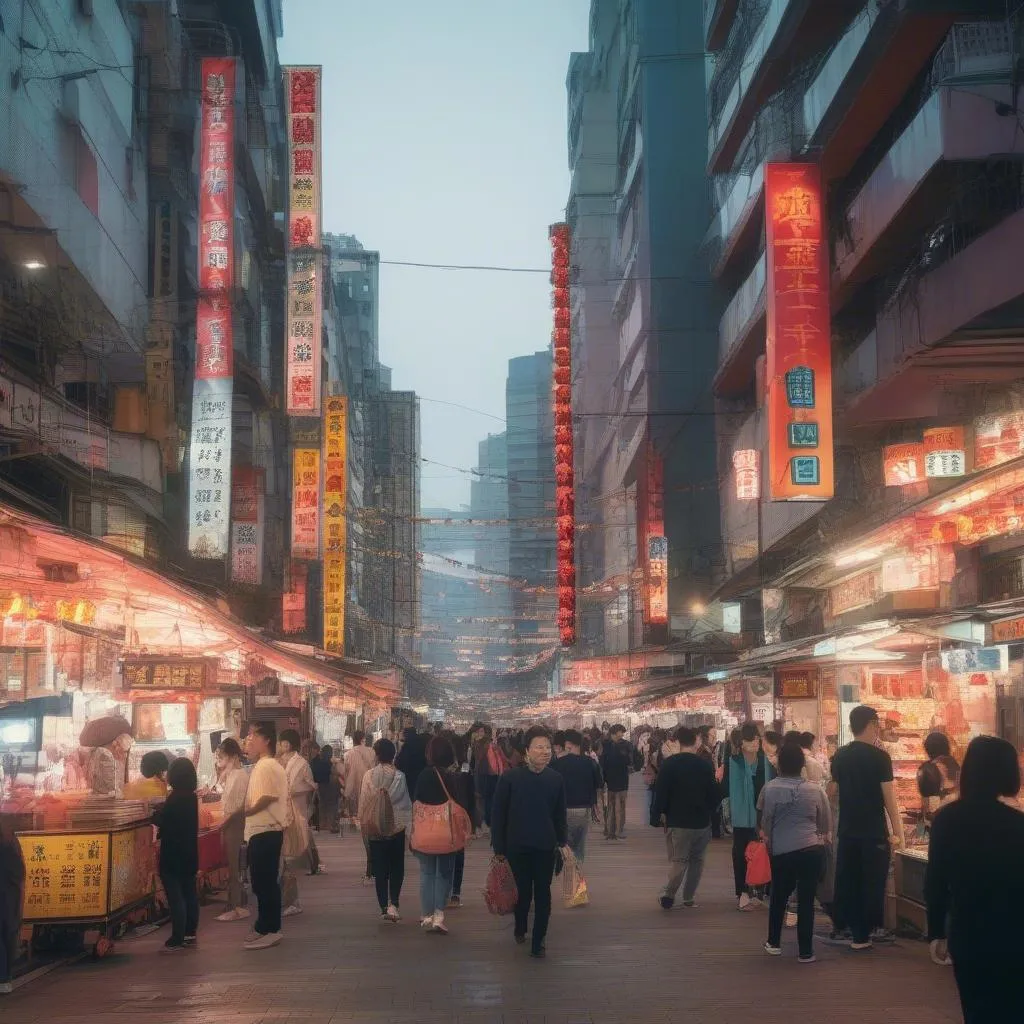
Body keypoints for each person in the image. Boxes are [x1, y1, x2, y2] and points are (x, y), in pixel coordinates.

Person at [925, 736, 1024, 1022]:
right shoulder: (1017, 824)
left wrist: (936, 932)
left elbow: (936, 881)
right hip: (1014, 931)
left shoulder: (946, 819)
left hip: (967, 931)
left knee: (975, 1006)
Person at [829, 705, 905, 951]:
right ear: (872, 724)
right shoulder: (880, 758)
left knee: (849, 879)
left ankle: (853, 931)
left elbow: (833, 792)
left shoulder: (840, 756)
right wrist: (899, 834)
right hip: (874, 832)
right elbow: (889, 800)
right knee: (872, 882)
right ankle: (864, 933)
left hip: (848, 831)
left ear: (851, 726)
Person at [491, 726, 569, 959]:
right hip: (517, 845)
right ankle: (520, 926)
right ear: (527, 751)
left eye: (547, 747)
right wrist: (499, 848)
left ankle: (539, 940)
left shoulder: (555, 779)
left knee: (543, 893)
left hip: (545, 846)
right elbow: (498, 815)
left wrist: (562, 843)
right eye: (539, 747)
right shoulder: (510, 778)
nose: (545, 752)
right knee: (523, 892)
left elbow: (559, 815)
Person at [760, 742, 832, 963]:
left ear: (779, 764)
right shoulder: (816, 790)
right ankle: (805, 951)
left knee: (779, 897)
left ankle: (773, 942)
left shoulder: (769, 788)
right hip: (811, 850)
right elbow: (825, 824)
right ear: (802, 765)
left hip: (782, 851)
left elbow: (765, 822)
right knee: (807, 900)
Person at [652, 726, 720, 910]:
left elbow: (661, 793)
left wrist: (656, 815)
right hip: (701, 822)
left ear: (679, 743)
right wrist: (712, 814)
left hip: (678, 821)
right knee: (697, 861)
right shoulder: (705, 765)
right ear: (696, 741)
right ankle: (689, 897)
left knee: (679, 860)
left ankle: (669, 893)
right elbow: (713, 793)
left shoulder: (670, 764)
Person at [242, 721, 290, 950]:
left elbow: (267, 796)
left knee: (265, 882)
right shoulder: (266, 765)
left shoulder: (266, 766)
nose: (249, 741)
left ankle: (269, 927)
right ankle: (265, 926)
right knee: (263, 882)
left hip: (266, 830)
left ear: (266, 740)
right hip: (264, 830)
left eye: (253, 737)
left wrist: (246, 811)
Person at [411, 735, 465, 935]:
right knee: (443, 872)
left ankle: (426, 915)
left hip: (425, 831)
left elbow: (416, 800)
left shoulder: (424, 775)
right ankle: (439, 915)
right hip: (446, 832)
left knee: (426, 872)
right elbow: (458, 803)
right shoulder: (450, 777)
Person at [360, 738, 411, 922]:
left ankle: (383, 906)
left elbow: (364, 803)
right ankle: (394, 903)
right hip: (396, 827)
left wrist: (363, 824)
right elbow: (405, 806)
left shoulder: (368, 776)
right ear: (393, 755)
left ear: (377, 755)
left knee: (380, 868)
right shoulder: (400, 776)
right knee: (397, 866)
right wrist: (408, 831)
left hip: (375, 827)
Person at [725, 722, 774, 910]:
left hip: (761, 816)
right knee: (740, 853)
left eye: (756, 738)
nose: (754, 742)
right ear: (741, 742)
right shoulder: (734, 761)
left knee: (760, 852)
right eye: (750, 739)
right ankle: (742, 892)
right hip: (740, 817)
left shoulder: (765, 762)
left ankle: (756, 890)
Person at [153, 758, 200, 952]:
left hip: (173, 853)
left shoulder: (174, 798)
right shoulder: (191, 796)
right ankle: (190, 931)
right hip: (190, 851)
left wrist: (155, 815)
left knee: (175, 895)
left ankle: (177, 936)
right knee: (189, 892)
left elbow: (165, 822)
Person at [551, 728, 603, 864]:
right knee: (579, 847)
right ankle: (576, 875)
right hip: (582, 809)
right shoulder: (590, 762)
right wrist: (596, 804)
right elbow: (599, 785)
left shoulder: (557, 764)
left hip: (562, 810)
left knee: (564, 845)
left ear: (567, 744)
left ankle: (566, 874)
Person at [278, 729, 315, 916]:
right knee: (286, 859)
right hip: (283, 814)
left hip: (295, 813)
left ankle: (293, 900)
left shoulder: (301, 764)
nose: (282, 746)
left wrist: (294, 790)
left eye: (285, 742)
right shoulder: (279, 762)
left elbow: (310, 785)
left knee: (290, 858)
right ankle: (288, 899)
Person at [214, 738, 250, 922]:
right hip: (229, 823)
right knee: (231, 865)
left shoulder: (240, 775)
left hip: (234, 824)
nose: (220, 760)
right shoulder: (231, 774)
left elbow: (237, 806)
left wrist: (222, 823)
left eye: (223, 756)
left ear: (234, 756)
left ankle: (236, 905)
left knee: (234, 866)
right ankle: (233, 903)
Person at [0, 816, 25, 993]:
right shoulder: (9, 845)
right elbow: (19, 874)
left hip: (6, 900)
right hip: (8, 901)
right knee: (6, 938)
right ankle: (4, 978)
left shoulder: (7, 845)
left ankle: (4, 978)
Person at [917, 732, 960, 821]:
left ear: (928, 748)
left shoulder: (925, 768)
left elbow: (926, 800)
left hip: (937, 818)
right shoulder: (955, 765)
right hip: (956, 814)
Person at [600, 724, 632, 839]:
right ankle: (610, 830)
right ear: (614, 733)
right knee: (611, 806)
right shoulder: (606, 744)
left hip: (621, 778)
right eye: (621, 732)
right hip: (611, 779)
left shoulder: (626, 745)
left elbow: (629, 761)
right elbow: (602, 762)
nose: (622, 734)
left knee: (620, 806)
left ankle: (619, 830)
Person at [312, 744, 341, 834]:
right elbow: (335, 776)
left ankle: (322, 825)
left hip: (319, 787)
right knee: (331, 806)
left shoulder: (316, 762)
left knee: (322, 806)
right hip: (330, 787)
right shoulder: (331, 764)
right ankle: (330, 825)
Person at [396, 727, 428, 803]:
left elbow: (400, 762)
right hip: (422, 773)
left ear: (406, 734)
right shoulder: (422, 742)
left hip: (410, 776)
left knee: (412, 797)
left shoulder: (407, 745)